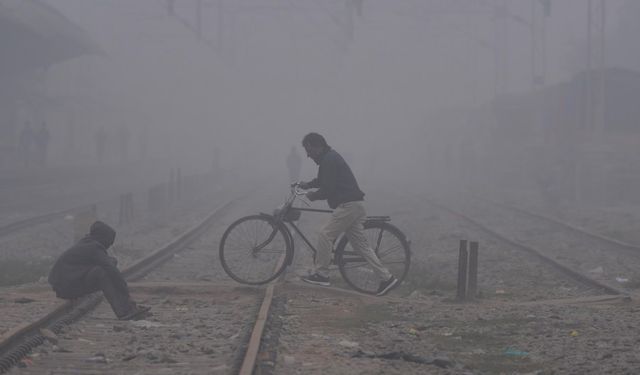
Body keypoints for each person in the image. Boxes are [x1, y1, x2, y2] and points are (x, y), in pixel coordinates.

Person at [298, 133, 398, 296]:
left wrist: (312, 195)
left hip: (348, 206)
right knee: (362, 247)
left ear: (318, 146)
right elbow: (323, 180)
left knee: (325, 235)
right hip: (355, 205)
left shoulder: (329, 160)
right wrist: (307, 185)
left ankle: (322, 274)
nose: (308, 155)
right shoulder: (328, 159)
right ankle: (386, 278)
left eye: (309, 150)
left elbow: (328, 188)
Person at [48, 221, 151, 320]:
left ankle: (128, 307)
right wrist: (126, 292)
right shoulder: (94, 248)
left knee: (110, 263)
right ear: (103, 238)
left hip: (64, 286)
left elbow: (108, 263)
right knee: (103, 273)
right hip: (67, 289)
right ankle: (124, 311)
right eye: (109, 242)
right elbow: (112, 271)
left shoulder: (87, 243)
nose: (109, 246)